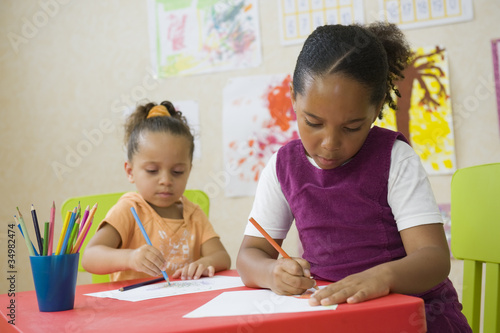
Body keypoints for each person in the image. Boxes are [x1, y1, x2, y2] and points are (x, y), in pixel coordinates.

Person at [236, 23, 471, 332]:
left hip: (415, 316)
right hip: (337, 318)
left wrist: (382, 277)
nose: (330, 143)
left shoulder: (394, 158)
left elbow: (434, 258)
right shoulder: (283, 167)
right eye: (313, 122)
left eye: (351, 127)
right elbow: (248, 257)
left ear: (374, 111)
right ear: (294, 99)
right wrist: (271, 273)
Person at [82, 101, 231, 281]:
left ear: (189, 171)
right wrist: (130, 258)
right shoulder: (129, 210)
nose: (166, 181)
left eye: (177, 172)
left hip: (181, 305)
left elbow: (222, 257)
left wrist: (206, 262)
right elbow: (89, 257)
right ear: (130, 172)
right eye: (152, 170)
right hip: (134, 307)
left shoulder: (193, 215)